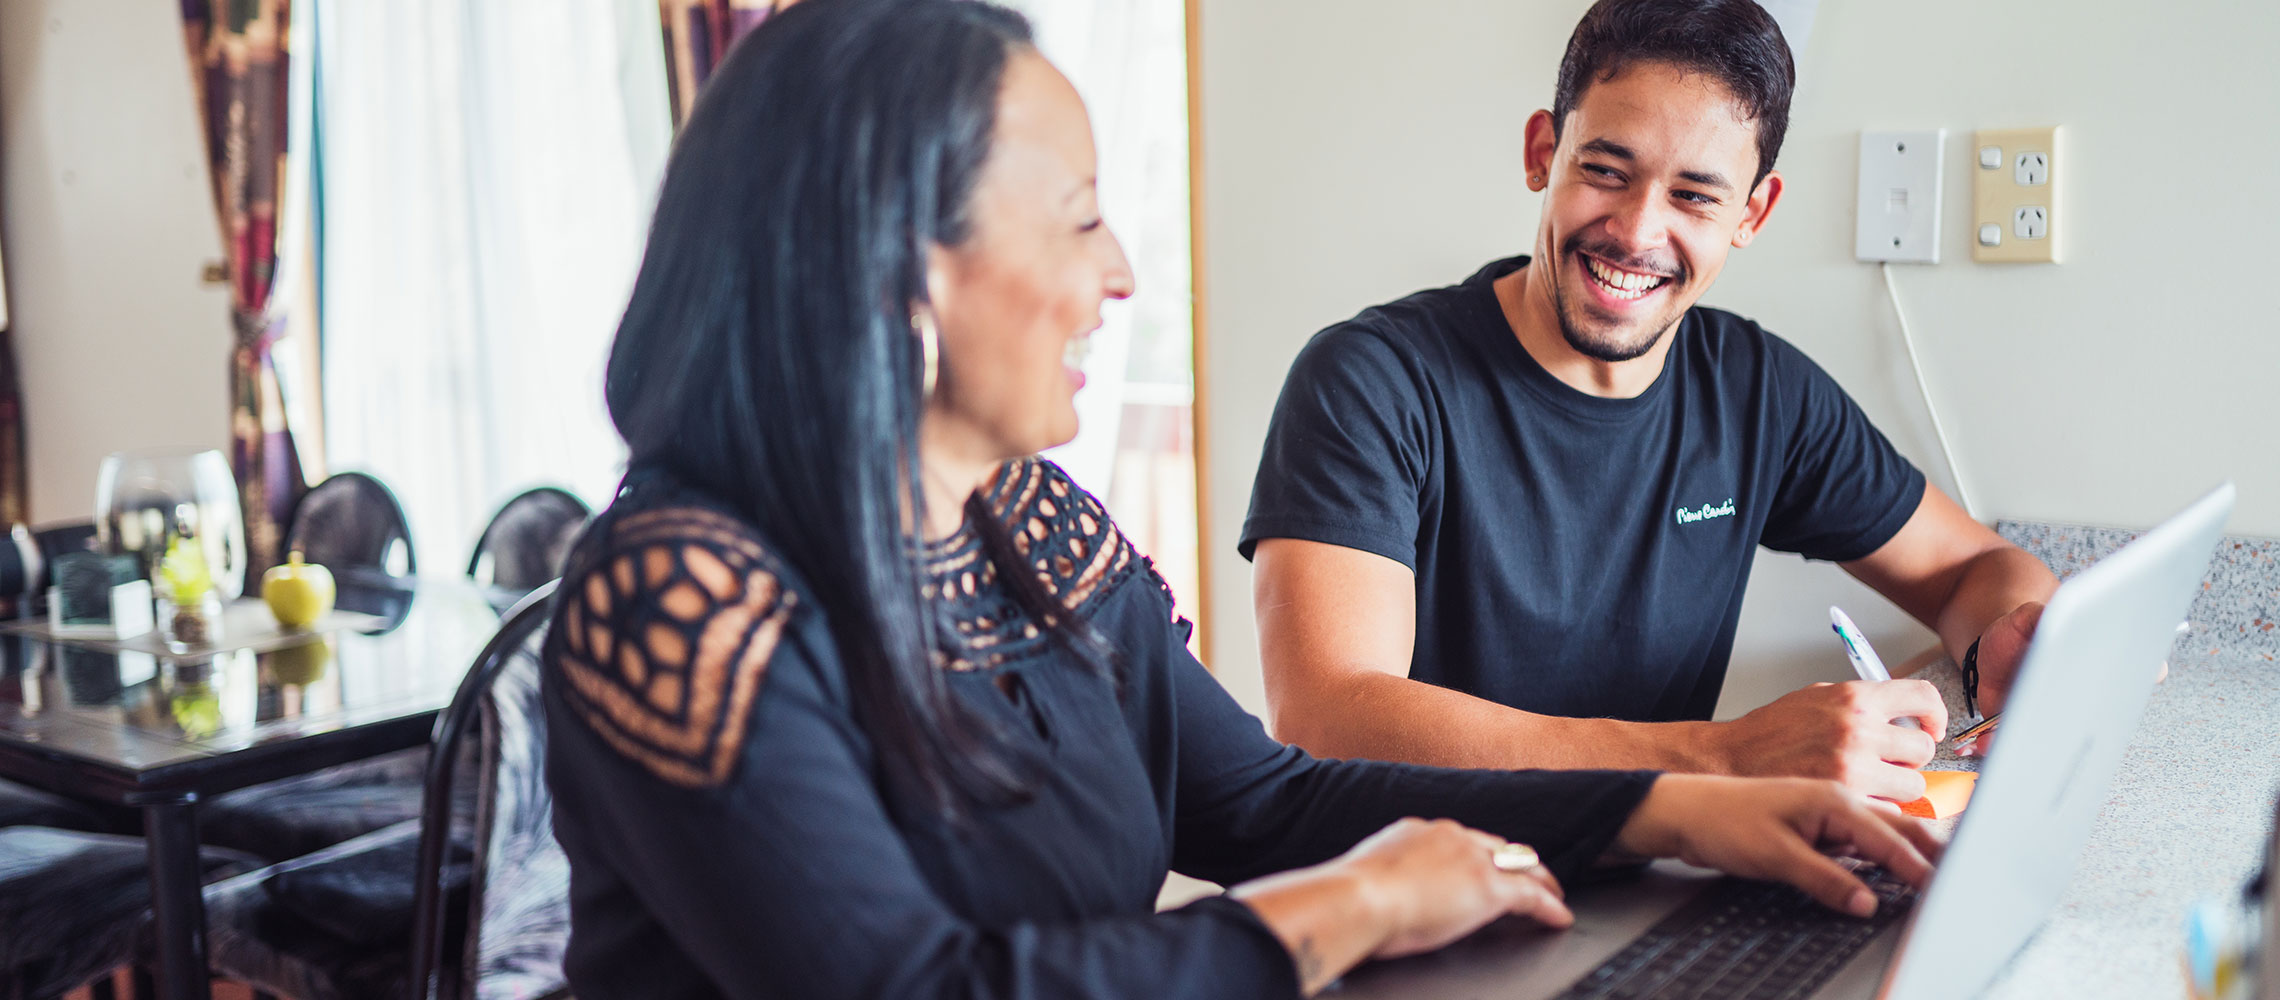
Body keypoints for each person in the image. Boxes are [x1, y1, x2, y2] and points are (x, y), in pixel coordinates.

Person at [541, 2, 1940, 996]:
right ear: (911, 267)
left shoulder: (1026, 525)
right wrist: (1352, 906)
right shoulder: (674, 593)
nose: (1123, 276)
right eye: (1082, 215)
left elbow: (1260, 800)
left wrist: (1668, 812)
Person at [1242, 0, 2059, 803]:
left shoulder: (1757, 392)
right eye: (1606, 170)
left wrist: (2013, 641)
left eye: (1695, 195)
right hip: (1413, 898)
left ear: (1753, 213)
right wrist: (1727, 759)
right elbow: (1327, 716)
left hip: (1651, 883)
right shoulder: (1369, 383)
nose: (1636, 231)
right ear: (1542, 153)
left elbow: (1973, 569)